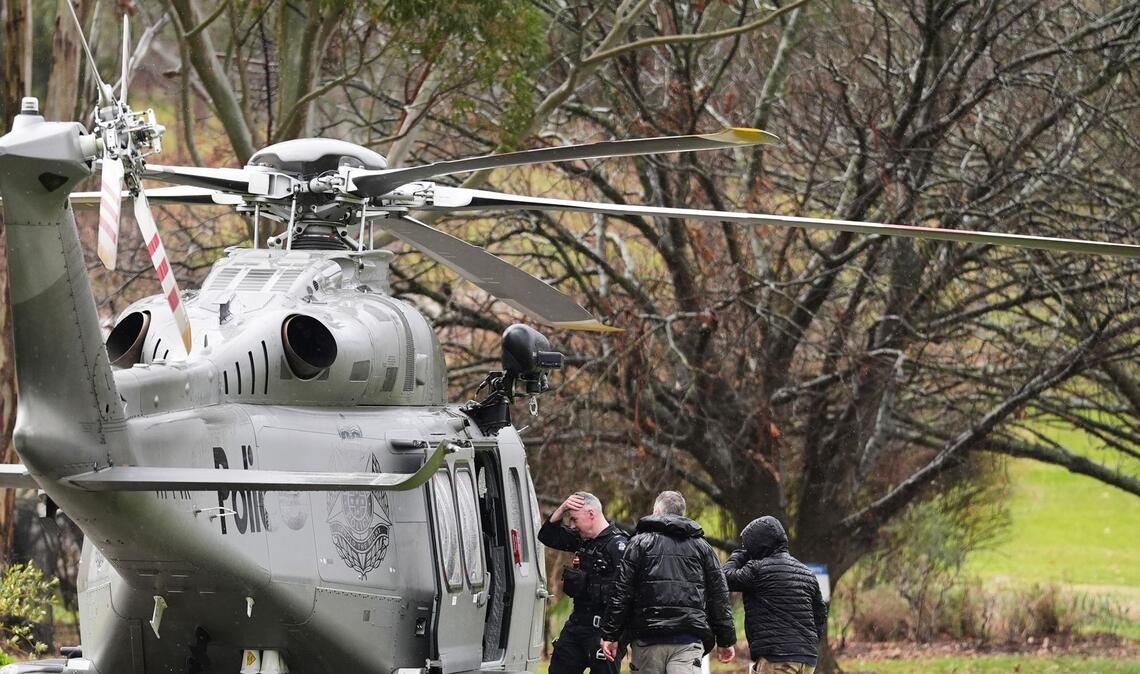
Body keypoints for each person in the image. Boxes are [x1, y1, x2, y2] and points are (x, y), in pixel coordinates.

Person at [599, 491, 736, 673]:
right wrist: (725, 640)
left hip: (647, 637)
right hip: (688, 638)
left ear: (656, 511)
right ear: (682, 513)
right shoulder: (703, 547)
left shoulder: (638, 544)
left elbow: (621, 592)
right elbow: (718, 596)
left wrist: (611, 634)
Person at [722, 516, 828, 674]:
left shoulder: (758, 569)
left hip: (777, 657)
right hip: (807, 659)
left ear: (758, 545)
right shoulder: (806, 573)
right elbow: (820, 614)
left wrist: (740, 554)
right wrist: (806, 642)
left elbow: (725, 577)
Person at [539, 491, 629, 674]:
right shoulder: (582, 541)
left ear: (591, 514)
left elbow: (627, 595)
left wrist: (614, 635)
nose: (572, 525)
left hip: (604, 631)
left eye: (574, 519)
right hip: (577, 626)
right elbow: (547, 536)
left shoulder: (619, 546)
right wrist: (563, 508)